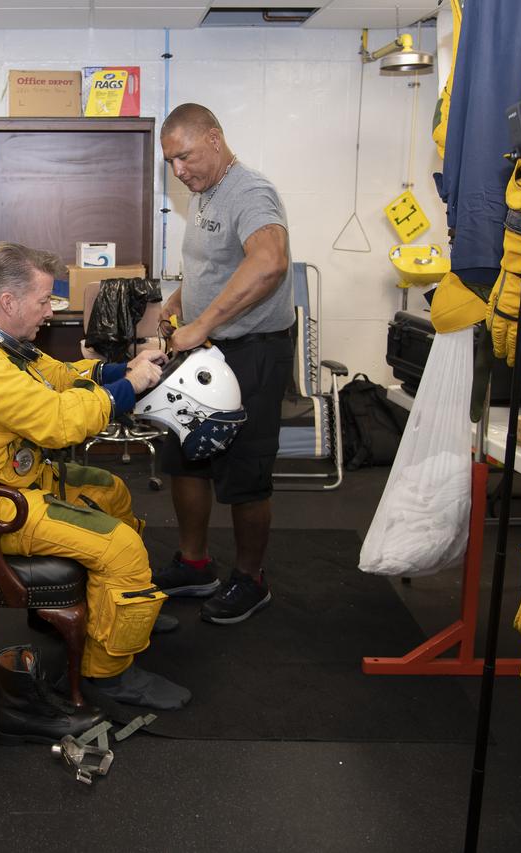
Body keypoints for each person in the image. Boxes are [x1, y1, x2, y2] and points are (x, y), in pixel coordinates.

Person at [0, 241, 190, 711]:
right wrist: (131, 387)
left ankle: (119, 605)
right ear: (9, 302)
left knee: (112, 491)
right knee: (121, 546)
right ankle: (109, 675)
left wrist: (121, 369)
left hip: (6, 476)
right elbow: (57, 422)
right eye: (44, 301)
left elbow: (57, 377)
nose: (50, 310)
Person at [151, 103, 294, 625]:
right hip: (208, 350)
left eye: (184, 156)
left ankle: (251, 580)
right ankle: (195, 564)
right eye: (170, 162)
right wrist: (180, 302)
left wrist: (203, 323)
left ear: (214, 138)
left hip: (252, 351)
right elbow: (217, 265)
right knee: (185, 455)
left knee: (245, 471)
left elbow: (269, 261)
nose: (178, 171)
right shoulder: (205, 195)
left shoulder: (250, 191)